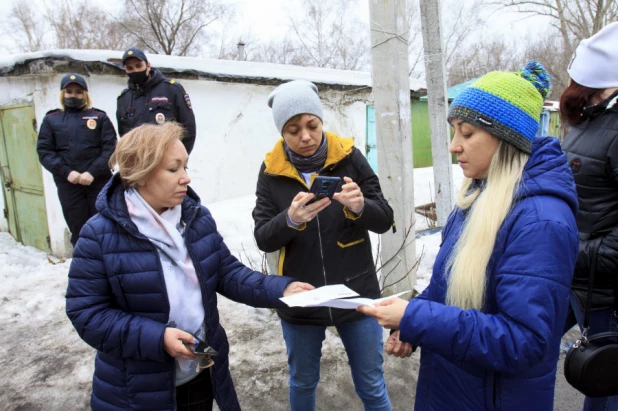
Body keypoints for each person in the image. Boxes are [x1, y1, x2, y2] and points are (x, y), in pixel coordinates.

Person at [359, 62, 580, 411]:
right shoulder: (478, 196)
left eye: (467, 133)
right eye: (454, 133)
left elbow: (523, 342)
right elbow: (447, 286)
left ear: (506, 137)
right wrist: (413, 321)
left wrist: (415, 318)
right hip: (453, 388)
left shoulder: (541, 221)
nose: (453, 147)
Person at [65, 122, 313, 411]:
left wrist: (281, 287)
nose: (186, 178)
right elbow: (87, 314)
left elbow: (226, 272)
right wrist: (157, 338)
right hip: (135, 389)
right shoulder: (99, 234)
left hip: (197, 372)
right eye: (174, 169)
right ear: (140, 173)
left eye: (186, 167)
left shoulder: (195, 218)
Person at [252, 80, 400, 411]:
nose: (305, 136)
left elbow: (385, 219)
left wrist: (360, 207)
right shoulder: (271, 171)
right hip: (301, 297)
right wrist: (289, 219)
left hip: (355, 292)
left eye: (312, 125)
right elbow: (263, 237)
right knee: (303, 381)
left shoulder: (349, 158)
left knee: (372, 384)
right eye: (293, 130)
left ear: (321, 123)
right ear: (282, 133)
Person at [560, 22, 618, 411]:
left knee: (602, 379)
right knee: (534, 345)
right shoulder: (588, 121)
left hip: (603, 282)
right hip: (572, 271)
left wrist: (589, 253)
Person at [37, 73, 117, 247]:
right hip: (69, 184)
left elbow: (111, 148)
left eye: (78, 92)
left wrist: (92, 172)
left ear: (85, 94)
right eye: (69, 92)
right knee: (78, 228)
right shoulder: (51, 120)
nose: (74, 95)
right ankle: (84, 268)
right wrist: (67, 173)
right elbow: (45, 151)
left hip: (98, 182)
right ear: (62, 94)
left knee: (105, 226)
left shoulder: (99, 117)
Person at [116, 47, 197, 154]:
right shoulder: (123, 98)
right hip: (138, 164)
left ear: (148, 65)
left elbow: (188, 129)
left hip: (166, 160)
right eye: (129, 68)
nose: (135, 70)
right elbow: (124, 135)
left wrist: (177, 162)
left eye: (139, 65)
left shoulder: (172, 89)